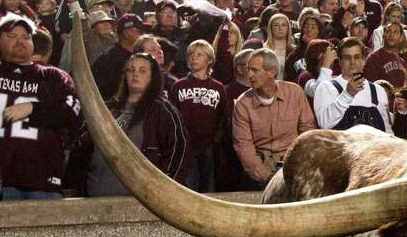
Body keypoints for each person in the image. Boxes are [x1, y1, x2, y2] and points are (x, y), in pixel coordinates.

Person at [0, 8, 83, 200]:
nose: (19, 40)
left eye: (25, 36)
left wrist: (33, 109)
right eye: (11, 36)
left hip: (43, 179)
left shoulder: (53, 76)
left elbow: (73, 113)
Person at [66, 53, 189, 196]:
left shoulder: (163, 110)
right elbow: (79, 149)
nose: (135, 74)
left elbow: (179, 150)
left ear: (152, 77)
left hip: (139, 202)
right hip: (94, 196)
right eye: (131, 70)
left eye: (142, 71)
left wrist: (162, 190)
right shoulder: (107, 108)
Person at [234, 48, 317, 190]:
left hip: (293, 163)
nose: (249, 75)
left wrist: (299, 166)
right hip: (259, 170)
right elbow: (244, 147)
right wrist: (267, 177)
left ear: (271, 72)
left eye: (255, 70)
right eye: (248, 69)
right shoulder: (243, 104)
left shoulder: (295, 93)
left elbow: (307, 133)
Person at [170, 39, 229, 192]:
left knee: (208, 186)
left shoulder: (218, 87)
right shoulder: (179, 86)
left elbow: (223, 115)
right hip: (185, 145)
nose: (193, 58)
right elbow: (173, 115)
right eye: (191, 54)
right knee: (188, 187)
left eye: (199, 55)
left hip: (208, 145)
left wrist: (216, 137)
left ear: (209, 59)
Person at [314, 37, 392, 132]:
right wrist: (347, 94)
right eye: (347, 57)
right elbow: (324, 124)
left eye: (357, 57)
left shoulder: (378, 90)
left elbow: (387, 130)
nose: (352, 62)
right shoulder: (327, 87)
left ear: (364, 60)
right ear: (339, 61)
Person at [93, 14, 143, 98]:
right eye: (139, 31)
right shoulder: (107, 60)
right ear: (127, 33)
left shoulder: (142, 55)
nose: (143, 34)